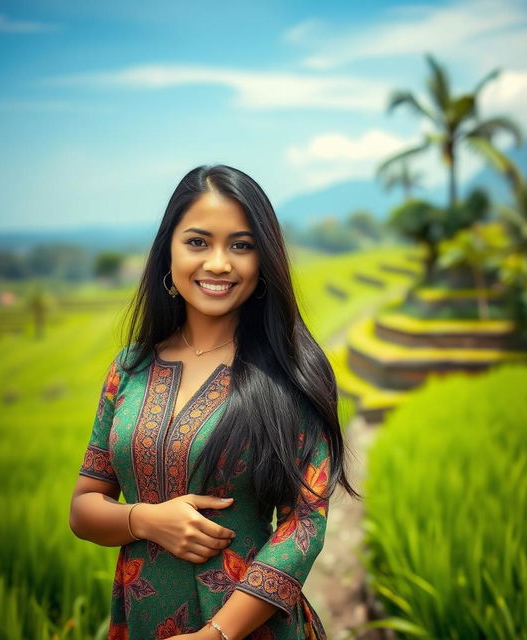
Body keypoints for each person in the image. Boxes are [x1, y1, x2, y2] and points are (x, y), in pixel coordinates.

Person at [69, 164, 359, 640]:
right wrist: (144, 519)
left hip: (249, 626)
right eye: (198, 242)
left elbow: (304, 526)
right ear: (169, 252)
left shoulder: (290, 373)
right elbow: (83, 509)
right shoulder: (130, 368)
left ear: (263, 260)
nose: (219, 263)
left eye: (241, 245)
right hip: (140, 619)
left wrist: (217, 634)